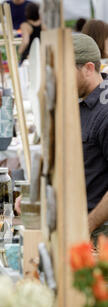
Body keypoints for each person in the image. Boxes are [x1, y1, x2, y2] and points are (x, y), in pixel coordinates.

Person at [72, 33, 108, 243]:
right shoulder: (79, 103)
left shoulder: (104, 112)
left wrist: (88, 224)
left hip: (98, 236)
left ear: (88, 68)